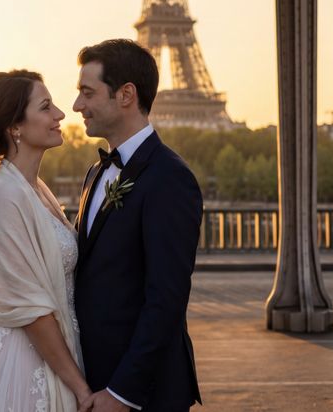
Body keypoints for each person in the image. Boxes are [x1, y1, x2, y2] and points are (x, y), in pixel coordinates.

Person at [0, 69, 91, 412]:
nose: (60, 115)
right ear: (15, 127)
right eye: (45, 107)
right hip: (30, 363)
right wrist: (80, 389)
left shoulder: (33, 188)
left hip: (56, 351)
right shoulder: (3, 195)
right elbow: (32, 311)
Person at [72, 39, 203, 412]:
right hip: (94, 380)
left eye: (87, 92)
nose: (77, 105)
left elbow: (167, 300)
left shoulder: (170, 178)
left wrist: (122, 392)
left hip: (142, 393)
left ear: (126, 94)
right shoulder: (95, 173)